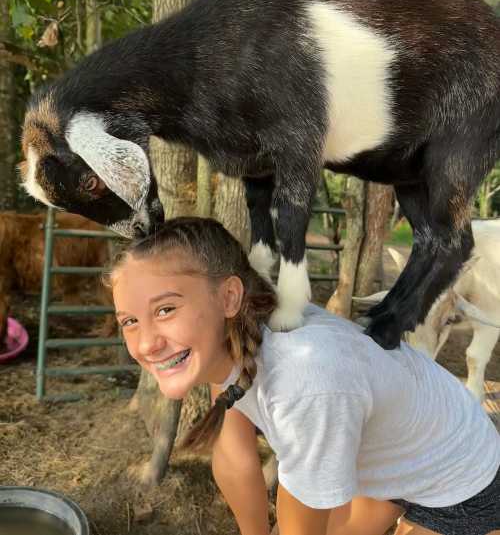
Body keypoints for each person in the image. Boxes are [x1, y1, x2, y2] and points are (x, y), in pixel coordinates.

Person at [110, 216, 500, 535]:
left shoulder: (305, 380)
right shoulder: (232, 338)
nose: (146, 344)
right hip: (393, 452)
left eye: (165, 310)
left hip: (460, 476)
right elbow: (233, 455)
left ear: (229, 297)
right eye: (129, 320)